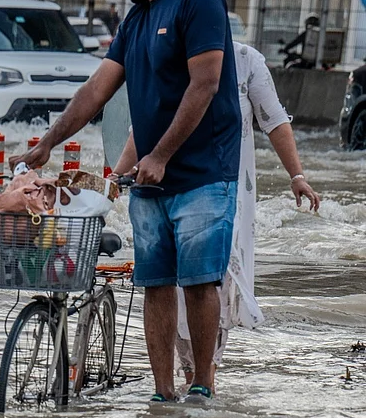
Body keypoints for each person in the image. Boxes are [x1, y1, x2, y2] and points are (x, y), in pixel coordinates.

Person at [12, 0, 242, 404]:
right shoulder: (135, 21)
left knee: (200, 282)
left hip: (203, 174)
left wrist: (160, 154)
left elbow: (205, 83)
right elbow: (97, 89)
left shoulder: (198, 0)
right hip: (150, 182)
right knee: (156, 283)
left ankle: (201, 385)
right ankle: (163, 395)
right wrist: (49, 141)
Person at [110, 41, 320, 388]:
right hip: (168, 188)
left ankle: (205, 377)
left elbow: (275, 121)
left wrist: (297, 176)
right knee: (172, 286)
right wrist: (115, 177)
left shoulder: (245, 60)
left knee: (214, 281)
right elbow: (142, 128)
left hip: (227, 192)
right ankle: (186, 379)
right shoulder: (168, 57)